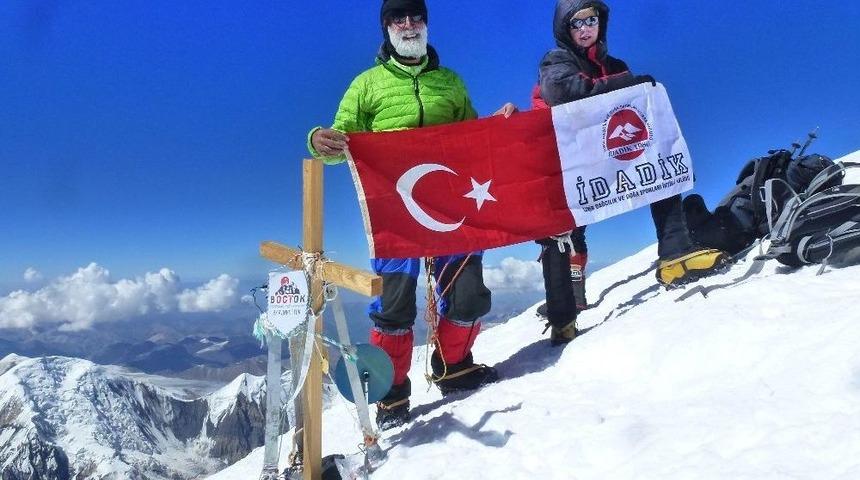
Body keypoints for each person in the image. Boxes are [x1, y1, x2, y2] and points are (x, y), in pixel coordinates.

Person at [307, 0, 515, 430]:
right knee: (393, 303)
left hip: (451, 206)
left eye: (415, 16)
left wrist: (496, 126)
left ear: (426, 24)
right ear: (386, 28)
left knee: (467, 290)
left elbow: (473, 137)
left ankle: (454, 367)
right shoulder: (366, 86)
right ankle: (393, 393)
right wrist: (318, 141)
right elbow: (340, 138)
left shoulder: (450, 83)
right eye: (397, 18)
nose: (408, 24)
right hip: (394, 209)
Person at [535, 0, 729, 345]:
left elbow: (631, 107)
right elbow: (562, 91)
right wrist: (626, 83)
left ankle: (675, 254)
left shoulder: (614, 64)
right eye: (576, 23)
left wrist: (637, 90)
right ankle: (563, 312)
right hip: (567, 158)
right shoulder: (556, 60)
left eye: (591, 20)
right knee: (564, 227)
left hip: (607, 151)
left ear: (601, 23)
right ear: (565, 29)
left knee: (659, 167)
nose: (585, 29)